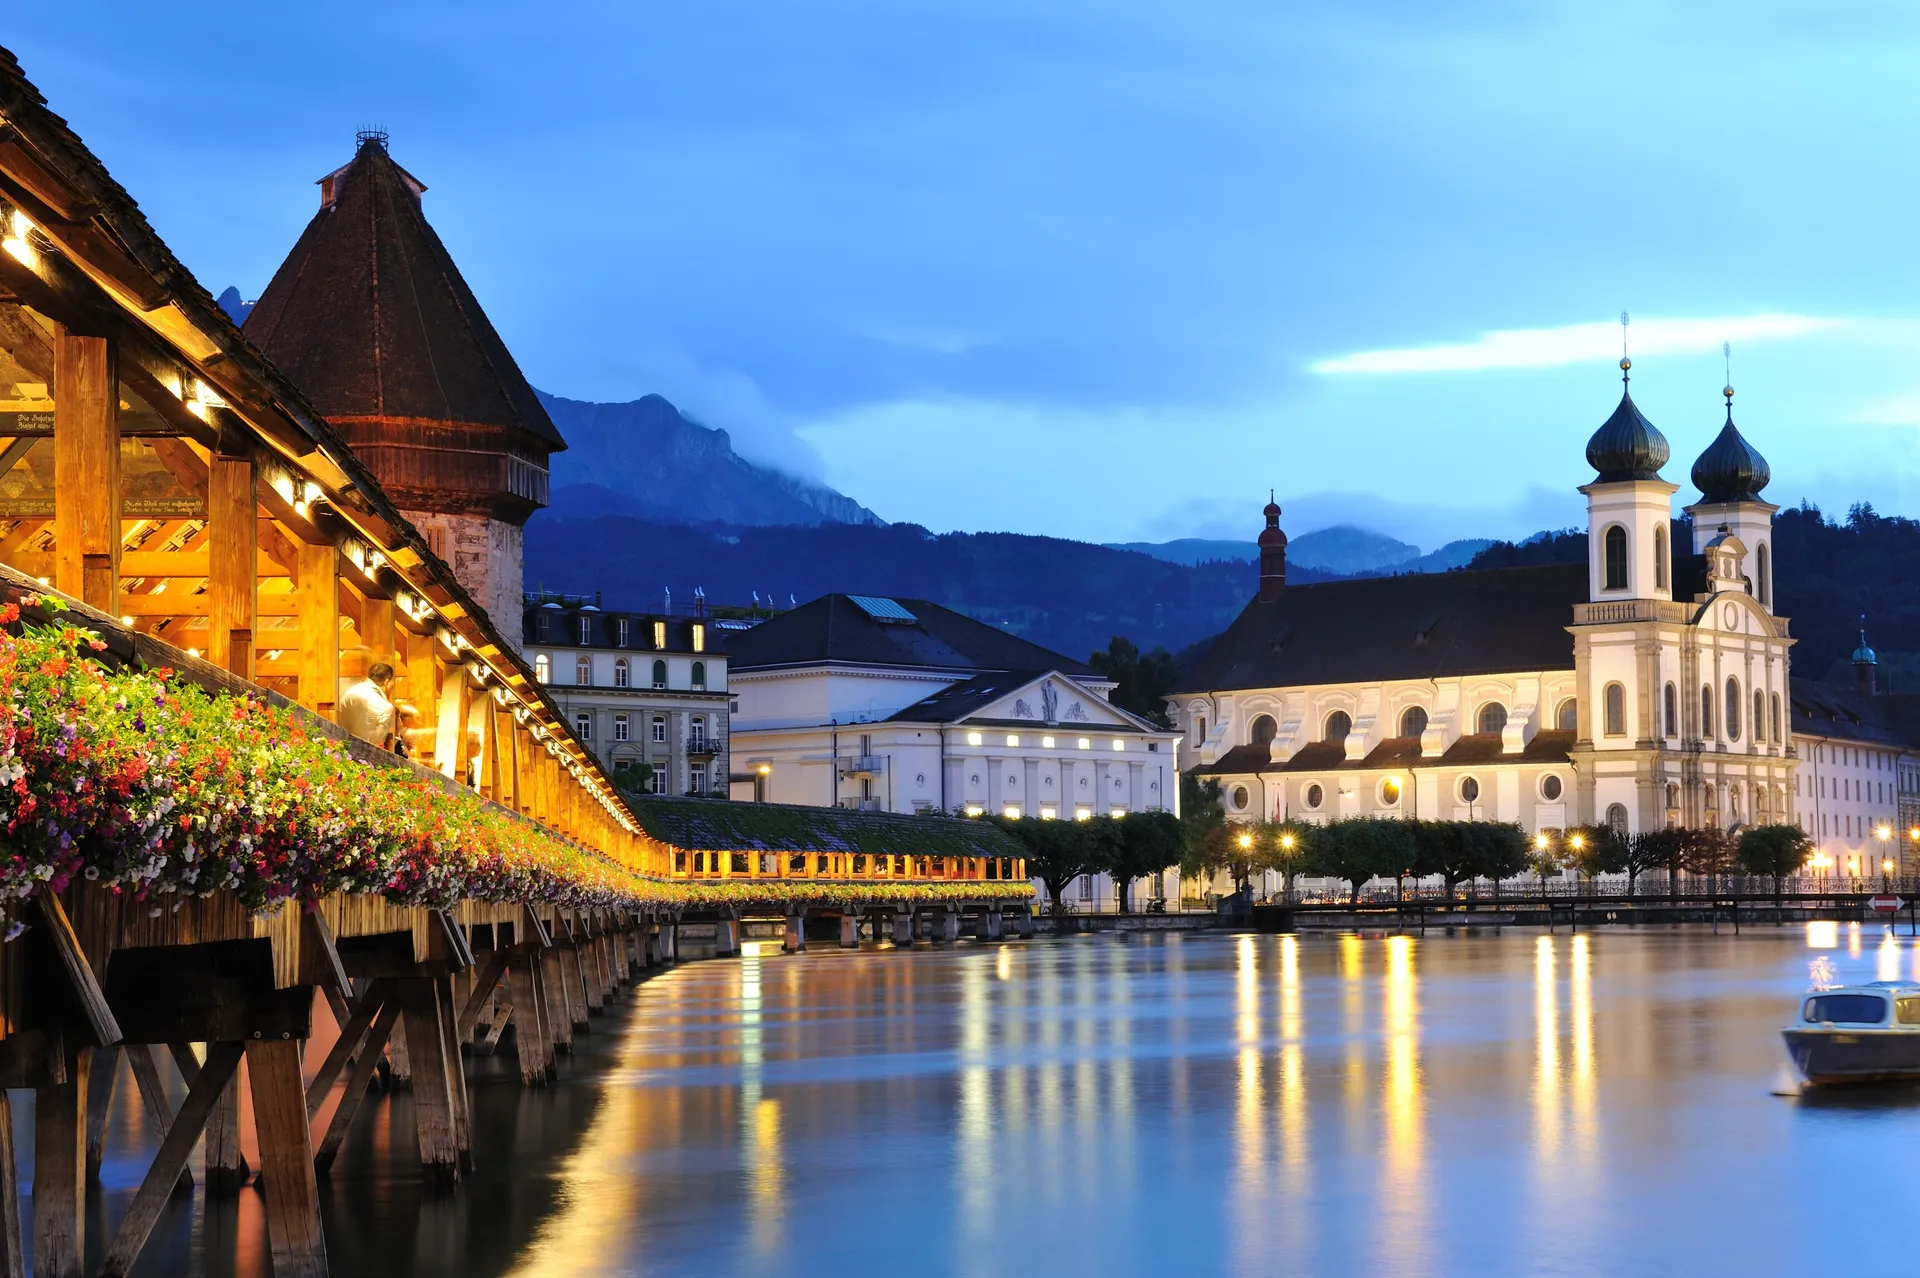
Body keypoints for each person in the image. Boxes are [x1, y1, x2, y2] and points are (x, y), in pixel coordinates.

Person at [338, 662, 399, 750]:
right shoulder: (386, 707)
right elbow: (377, 743)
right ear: (386, 682)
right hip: (364, 757)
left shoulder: (349, 693)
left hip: (342, 751)